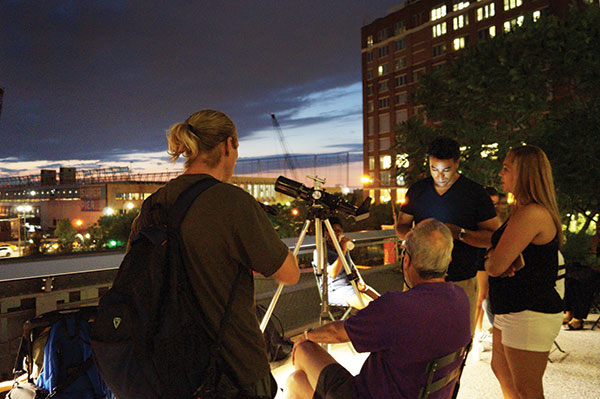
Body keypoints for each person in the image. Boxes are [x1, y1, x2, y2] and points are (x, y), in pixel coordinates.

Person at [129, 109, 300, 398]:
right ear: (227, 145)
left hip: (165, 367)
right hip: (232, 367)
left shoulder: (153, 205)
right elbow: (290, 274)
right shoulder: (233, 203)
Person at [287, 219, 471, 399]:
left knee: (304, 349)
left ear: (406, 260)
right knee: (296, 382)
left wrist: (306, 336)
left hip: (364, 394)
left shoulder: (397, 307)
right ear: (448, 260)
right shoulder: (461, 298)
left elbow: (337, 332)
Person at [395, 137, 500, 334]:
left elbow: (493, 237)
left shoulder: (475, 193)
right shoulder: (417, 190)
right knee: (412, 335)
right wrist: (412, 236)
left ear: (457, 163)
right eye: (434, 169)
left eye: (446, 170)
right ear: (429, 163)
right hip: (419, 279)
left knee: (456, 343)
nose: (440, 176)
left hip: (460, 281)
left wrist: (459, 233)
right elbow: (401, 225)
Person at [485, 145, 563, 399]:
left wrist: (494, 259)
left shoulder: (532, 213)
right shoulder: (521, 210)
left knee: (527, 389)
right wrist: (500, 257)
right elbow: (499, 257)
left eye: (507, 168)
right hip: (511, 308)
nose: (500, 174)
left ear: (525, 174)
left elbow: (495, 265)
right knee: (503, 371)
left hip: (530, 311)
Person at [312, 216, 379, 310]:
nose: (336, 233)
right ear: (326, 233)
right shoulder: (321, 251)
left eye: (339, 231)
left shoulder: (343, 248)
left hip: (352, 285)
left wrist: (360, 281)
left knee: (383, 302)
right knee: (372, 307)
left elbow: (352, 267)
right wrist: (342, 251)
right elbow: (333, 274)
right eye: (333, 231)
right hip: (336, 290)